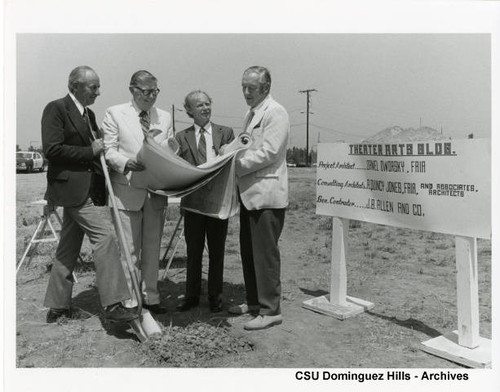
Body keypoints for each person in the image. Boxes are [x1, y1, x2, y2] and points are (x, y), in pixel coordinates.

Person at [42, 65, 137, 324]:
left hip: (90, 190)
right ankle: (115, 303)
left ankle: (57, 306)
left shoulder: (89, 114)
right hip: (72, 190)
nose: (98, 91)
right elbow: (52, 150)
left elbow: (96, 151)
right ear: (75, 86)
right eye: (93, 87)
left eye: (98, 86)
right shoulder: (56, 108)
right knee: (105, 238)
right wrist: (91, 151)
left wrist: (104, 152)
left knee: (68, 248)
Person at [102, 70, 173, 314]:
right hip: (128, 190)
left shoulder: (164, 117)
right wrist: (126, 163)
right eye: (146, 91)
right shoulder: (115, 113)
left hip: (155, 192)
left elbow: (168, 148)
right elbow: (109, 150)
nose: (151, 96)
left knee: (152, 248)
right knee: (129, 250)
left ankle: (151, 297)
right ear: (132, 89)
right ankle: (131, 301)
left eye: (155, 91)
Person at [228, 66, 290, 330]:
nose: (245, 92)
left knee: (265, 255)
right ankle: (254, 303)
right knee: (249, 253)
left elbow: (270, 153)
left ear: (266, 88)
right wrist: (228, 153)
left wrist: (235, 165)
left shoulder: (276, 112)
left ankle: (270, 310)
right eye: (243, 86)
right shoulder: (251, 113)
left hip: (266, 195)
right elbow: (245, 144)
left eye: (251, 88)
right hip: (249, 195)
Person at [175, 90, 235, 313]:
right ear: (189, 110)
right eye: (199, 105)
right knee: (194, 251)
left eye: (207, 103)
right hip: (193, 203)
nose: (205, 108)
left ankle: (215, 296)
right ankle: (191, 296)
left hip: (218, 202)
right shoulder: (181, 137)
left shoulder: (226, 133)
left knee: (217, 251)